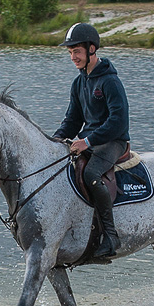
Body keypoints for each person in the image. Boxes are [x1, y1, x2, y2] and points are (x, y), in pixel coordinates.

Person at [53, 22, 130, 259]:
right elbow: (72, 120)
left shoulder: (109, 81)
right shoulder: (79, 83)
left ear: (92, 49)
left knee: (91, 175)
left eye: (76, 51)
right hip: (92, 141)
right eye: (70, 52)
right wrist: (56, 140)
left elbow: (118, 121)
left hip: (113, 141)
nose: (73, 57)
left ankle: (110, 236)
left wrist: (87, 141)